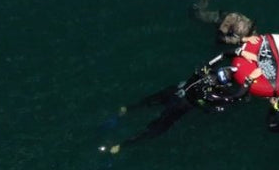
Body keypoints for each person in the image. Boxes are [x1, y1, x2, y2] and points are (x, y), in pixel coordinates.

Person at [103, 54, 263, 154]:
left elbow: (220, 56)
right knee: (156, 129)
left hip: (175, 91)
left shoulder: (204, 71)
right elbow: (236, 96)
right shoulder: (210, 93)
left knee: (150, 102)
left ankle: (126, 110)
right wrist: (249, 80)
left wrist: (239, 52)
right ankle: (121, 145)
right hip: (180, 106)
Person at [190, 0, 257, 46]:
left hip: (228, 17)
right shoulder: (240, 28)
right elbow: (220, 38)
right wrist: (241, 39)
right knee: (198, 14)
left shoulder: (251, 28)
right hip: (220, 19)